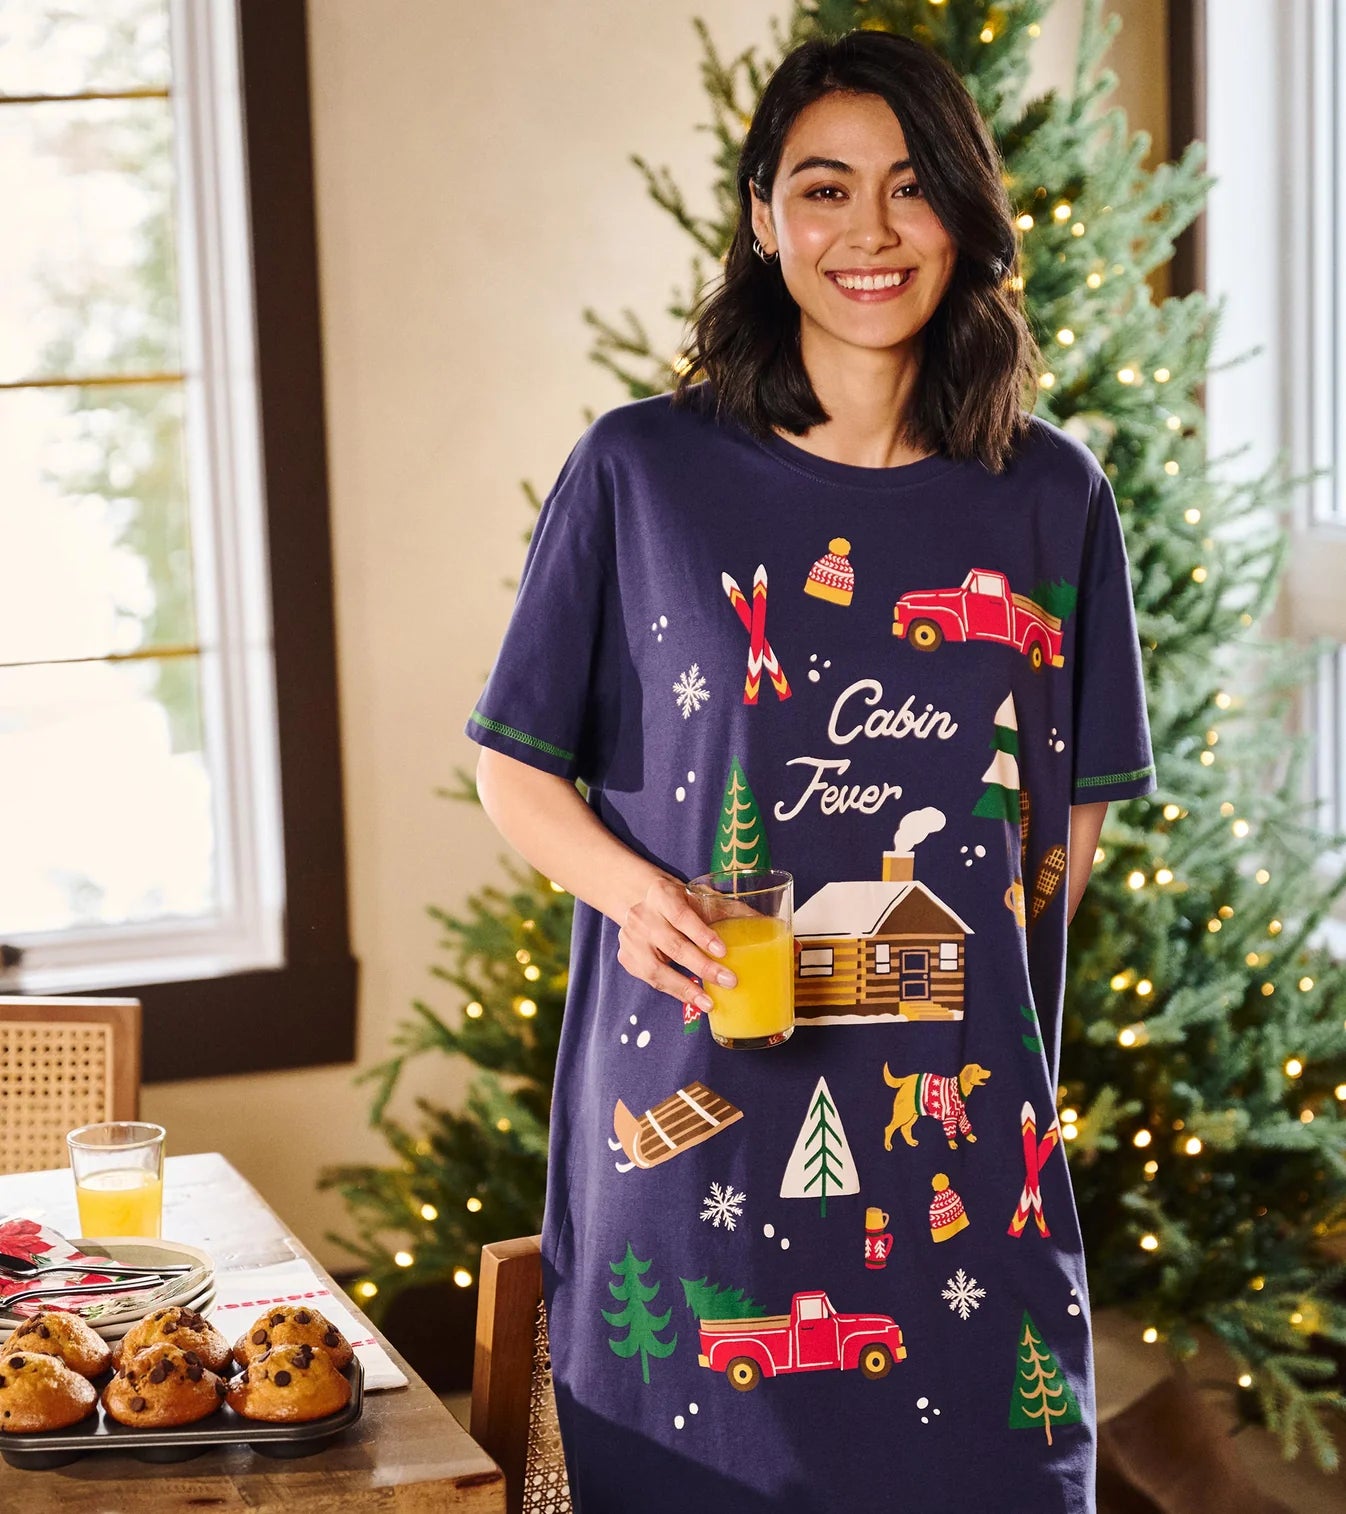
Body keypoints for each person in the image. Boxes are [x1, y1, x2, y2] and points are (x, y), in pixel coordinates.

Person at [465, 27, 1156, 1514]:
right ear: (763, 218)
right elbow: (511, 768)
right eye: (824, 188)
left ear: (965, 215)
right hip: (697, 1153)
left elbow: (1062, 840)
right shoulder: (641, 472)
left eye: (911, 187)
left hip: (961, 1175)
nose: (870, 232)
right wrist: (638, 898)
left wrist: (958, 1018)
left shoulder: (1052, 495)